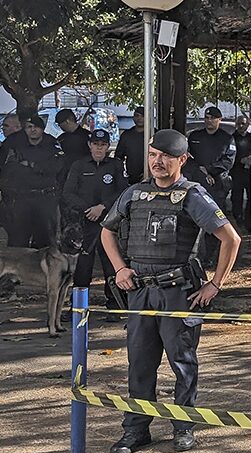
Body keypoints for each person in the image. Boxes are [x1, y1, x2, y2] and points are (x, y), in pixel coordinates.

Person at [99, 129, 241, 453]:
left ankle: (183, 428)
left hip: (179, 292)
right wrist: (120, 268)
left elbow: (231, 239)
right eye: (152, 155)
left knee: (182, 363)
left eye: (165, 156)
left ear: (182, 159)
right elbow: (107, 231)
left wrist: (215, 284)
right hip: (140, 292)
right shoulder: (134, 193)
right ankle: (135, 431)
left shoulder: (192, 195)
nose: (158, 162)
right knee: (139, 364)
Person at [63, 129, 128, 316]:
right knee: (83, 267)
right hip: (85, 223)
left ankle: (115, 306)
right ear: (89, 145)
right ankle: (78, 307)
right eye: (95, 144)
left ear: (108, 147)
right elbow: (68, 193)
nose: (99, 148)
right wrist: (89, 209)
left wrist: (103, 207)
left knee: (112, 264)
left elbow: (124, 192)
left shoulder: (116, 165)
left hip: (110, 222)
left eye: (103, 145)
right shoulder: (78, 165)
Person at [0, 115, 63, 248]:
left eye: (37, 127)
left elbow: (57, 167)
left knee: (45, 242)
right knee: (17, 241)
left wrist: (30, 165)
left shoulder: (51, 143)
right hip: (19, 200)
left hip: (45, 199)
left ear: (43, 129)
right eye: (29, 127)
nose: (33, 130)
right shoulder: (13, 142)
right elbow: (6, 167)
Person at [187, 107, 236, 261]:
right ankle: (193, 256)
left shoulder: (227, 139)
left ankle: (209, 256)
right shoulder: (195, 136)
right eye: (207, 118)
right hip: (196, 183)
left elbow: (228, 161)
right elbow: (188, 158)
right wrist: (201, 172)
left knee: (214, 222)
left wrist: (209, 170)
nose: (209, 121)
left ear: (219, 120)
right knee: (192, 221)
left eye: (213, 118)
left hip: (217, 184)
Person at [230, 115, 251, 224]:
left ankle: (249, 219)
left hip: (250, 172)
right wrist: (240, 160)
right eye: (238, 123)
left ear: (248, 124)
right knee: (236, 197)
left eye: (243, 123)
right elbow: (228, 155)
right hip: (236, 172)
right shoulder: (231, 138)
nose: (240, 126)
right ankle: (238, 218)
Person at [117, 106, 147, 184]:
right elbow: (119, 157)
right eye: (137, 115)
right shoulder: (127, 135)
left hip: (152, 177)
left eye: (143, 116)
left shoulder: (154, 134)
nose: (139, 118)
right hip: (132, 179)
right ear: (133, 117)